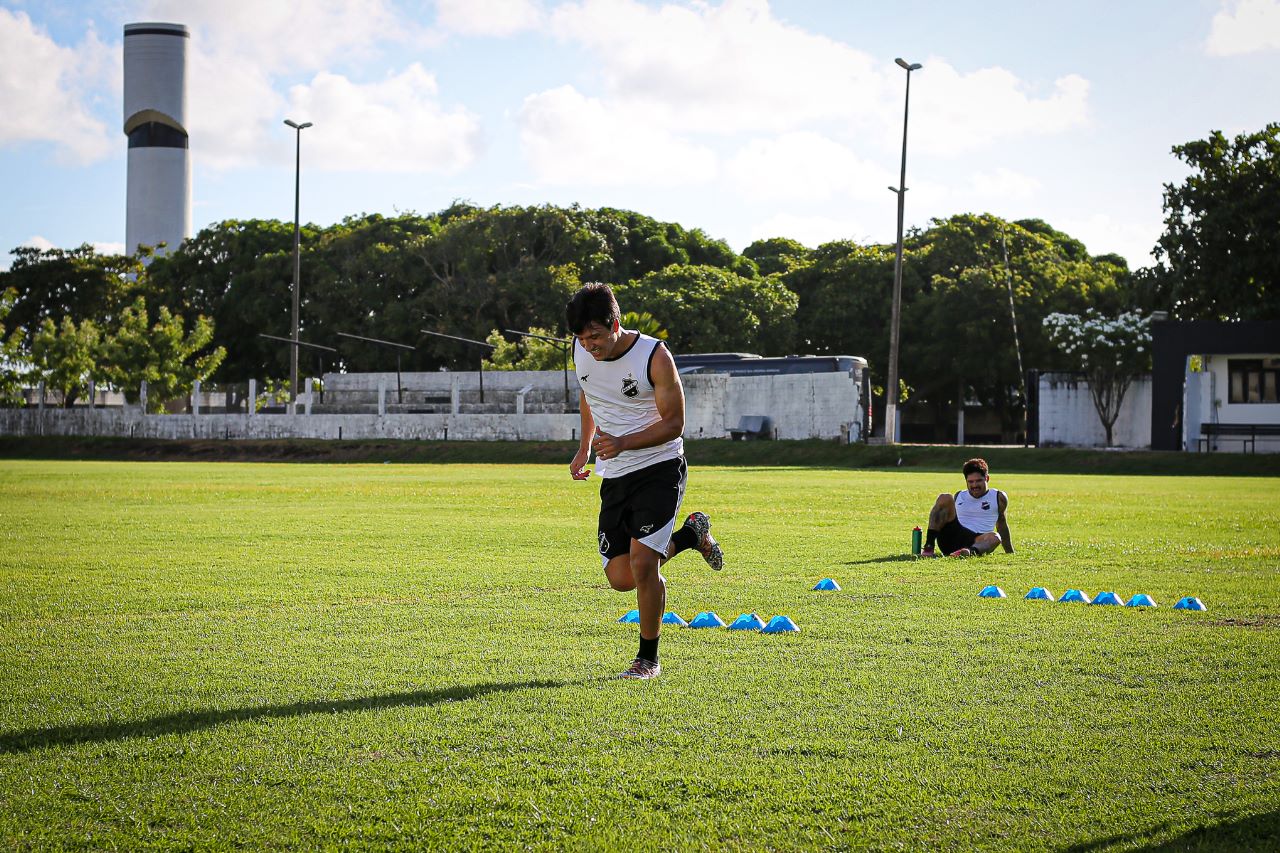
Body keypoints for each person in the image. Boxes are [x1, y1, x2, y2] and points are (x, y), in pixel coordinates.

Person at [566, 282, 723, 680]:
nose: (589, 346)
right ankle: (691, 535)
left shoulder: (654, 356)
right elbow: (589, 393)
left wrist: (623, 442)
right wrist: (585, 446)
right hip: (615, 473)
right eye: (582, 339)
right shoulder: (581, 351)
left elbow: (674, 424)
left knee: (643, 563)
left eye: (596, 336)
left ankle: (647, 660)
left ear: (615, 323)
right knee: (621, 578)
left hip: (659, 466)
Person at [919, 457, 1014, 558]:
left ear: (987, 478)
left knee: (995, 537)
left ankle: (968, 552)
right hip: (952, 537)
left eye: (978, 481)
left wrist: (1010, 552)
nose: (975, 485)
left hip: (978, 541)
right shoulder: (959, 496)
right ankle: (929, 547)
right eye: (971, 482)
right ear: (966, 481)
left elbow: (1002, 524)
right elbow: (943, 517)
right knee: (945, 497)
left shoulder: (998, 496)